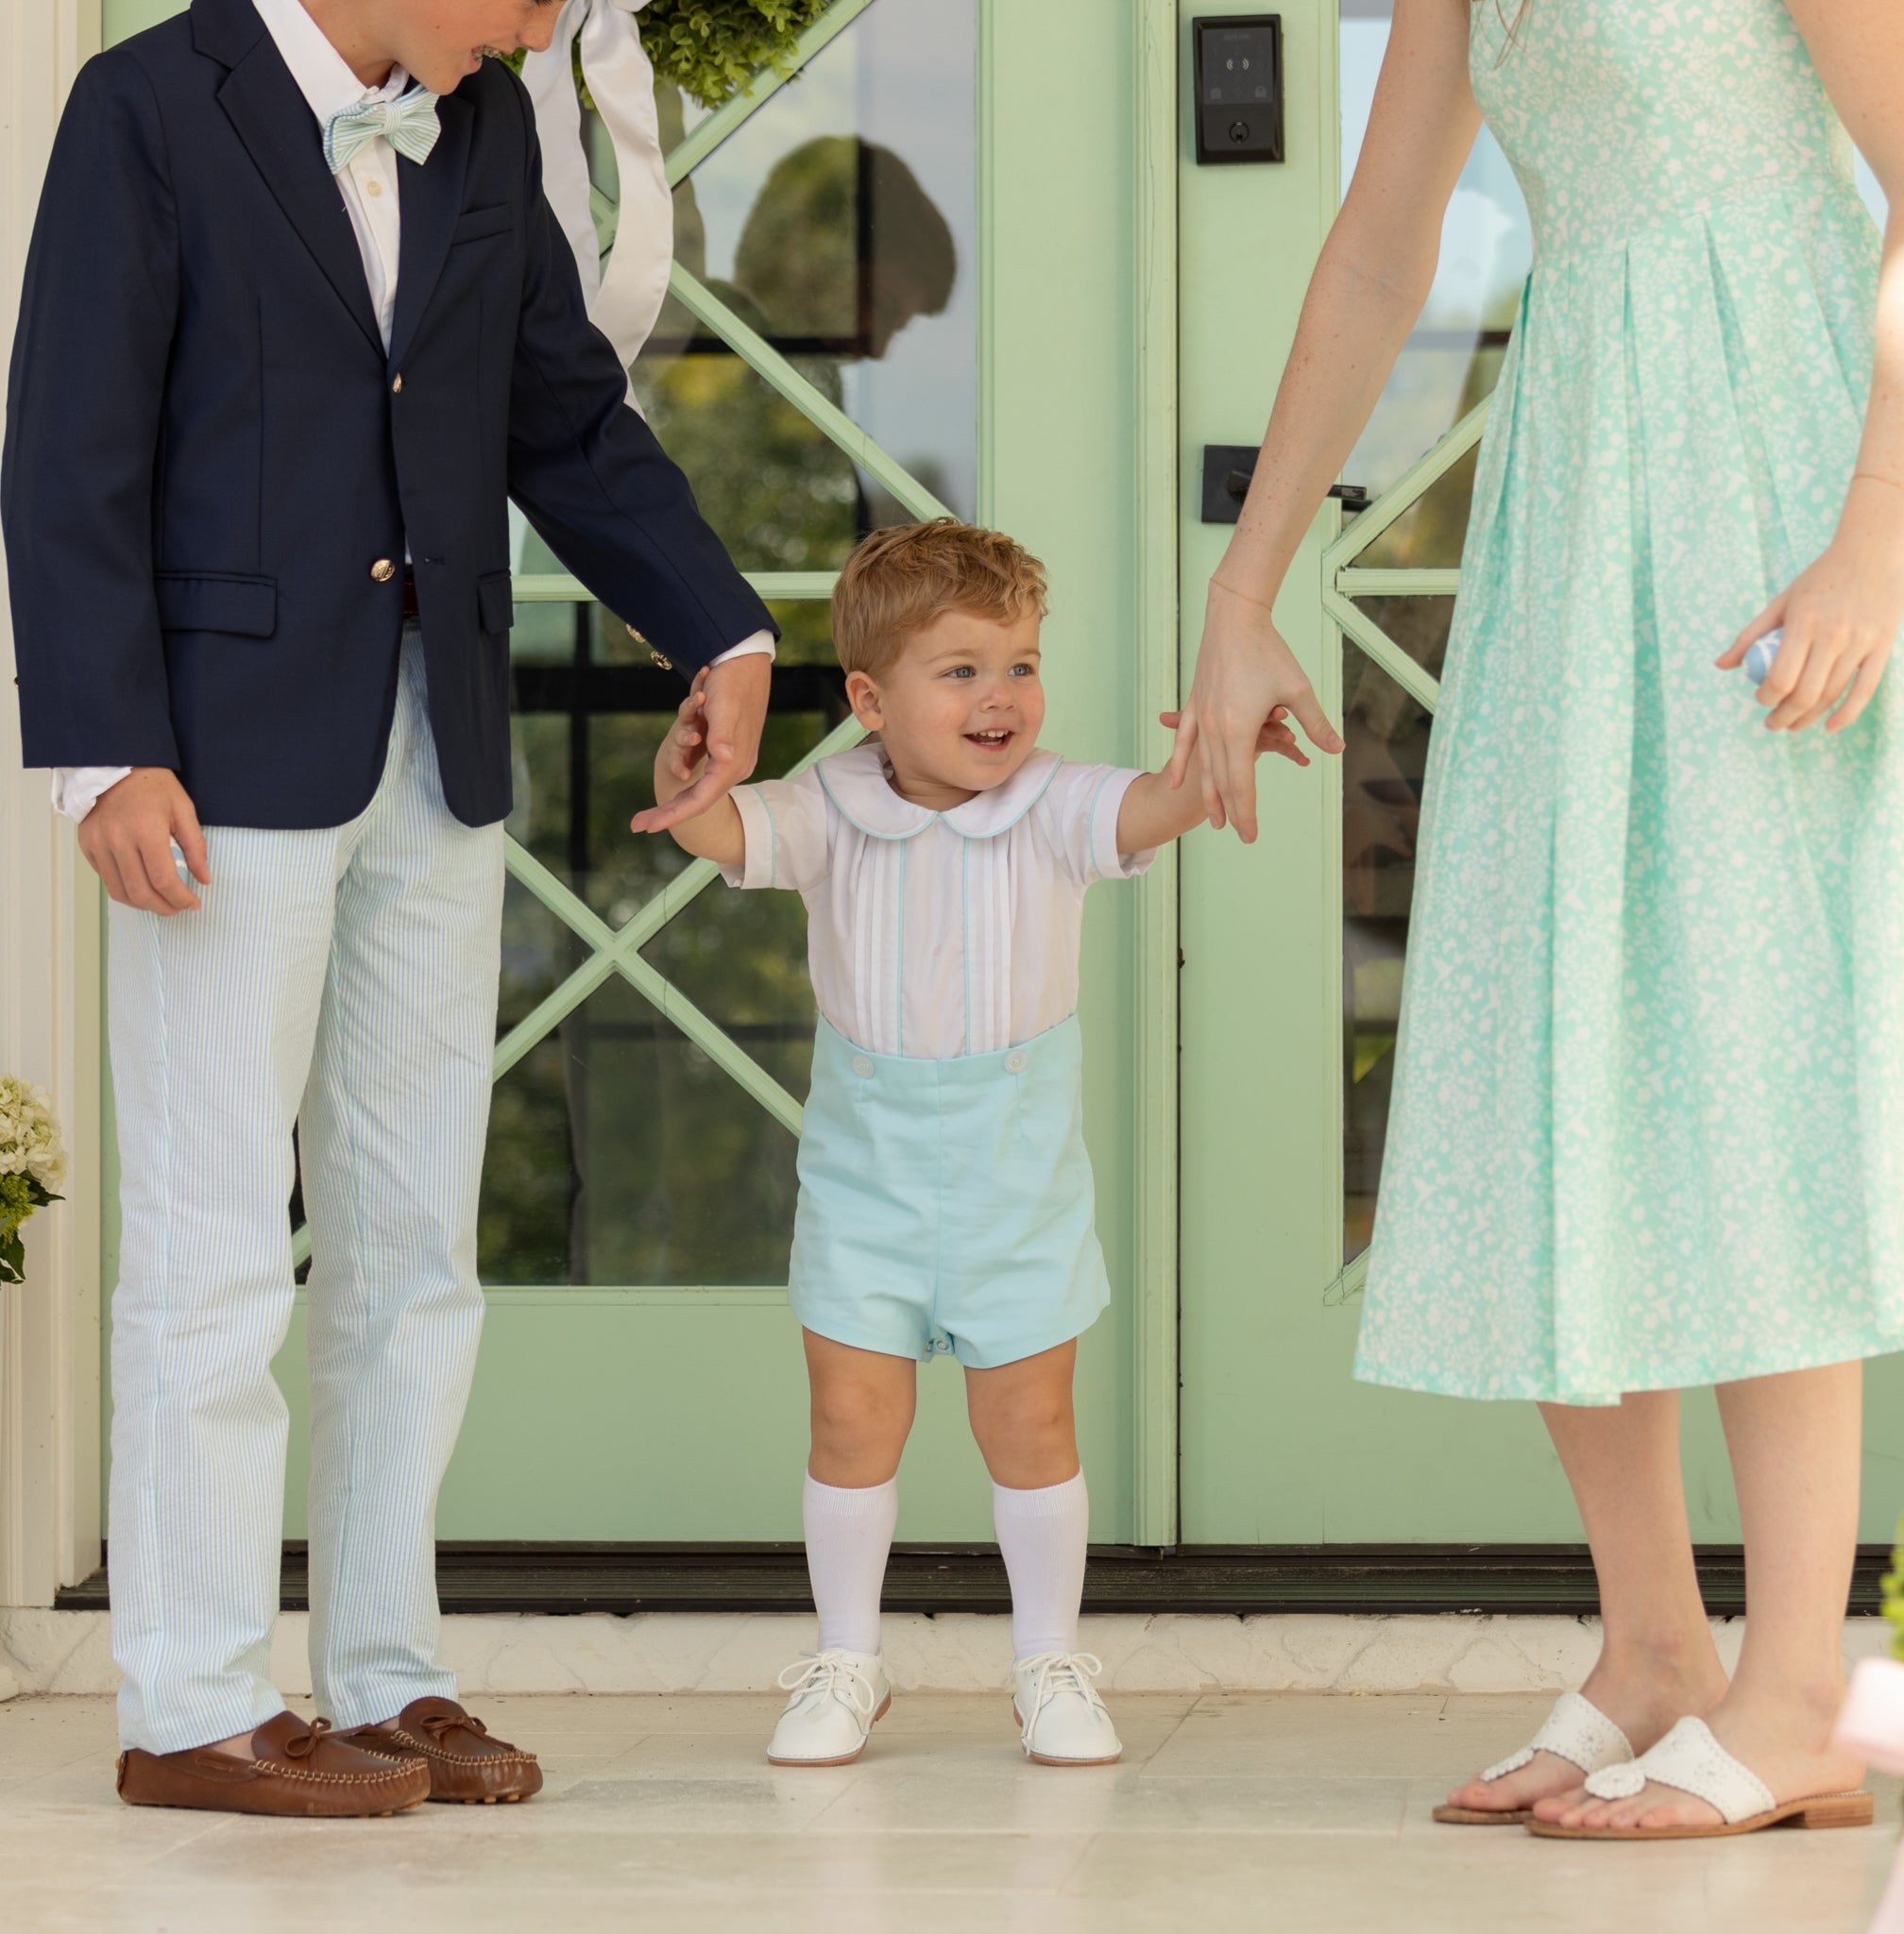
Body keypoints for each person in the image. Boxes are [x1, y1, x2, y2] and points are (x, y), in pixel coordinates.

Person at [2, 0, 775, 1817]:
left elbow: (557, 416)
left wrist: (720, 623)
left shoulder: (484, 124)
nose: (547, 21)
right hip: (219, 763)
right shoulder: (147, 106)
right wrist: (103, 749)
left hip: (441, 756)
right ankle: (192, 1703)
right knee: (209, 1248)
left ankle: (381, 1673)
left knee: (415, 1241)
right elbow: (71, 440)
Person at [1170, 0, 1904, 1841]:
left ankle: (1802, 1684)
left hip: (1785, 481)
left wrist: (1871, 534)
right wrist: (1245, 583)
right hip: (1579, 484)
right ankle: (1654, 1646)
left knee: (1743, 1043)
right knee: (1557, 1028)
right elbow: (1375, 245)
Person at [644, 518, 1301, 1769]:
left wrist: (1217, 755)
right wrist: (691, 782)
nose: (1002, 697)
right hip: (866, 1184)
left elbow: (1159, 807)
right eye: (961, 671)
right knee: (850, 1423)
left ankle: (1048, 1660)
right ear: (869, 700)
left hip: (1016, 1183)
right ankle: (846, 1660)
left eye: (1020, 664)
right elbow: (726, 837)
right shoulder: (832, 805)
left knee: (1031, 1427)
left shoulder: (1054, 804)